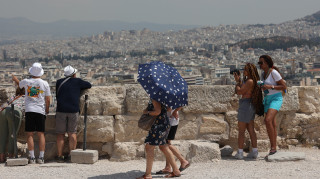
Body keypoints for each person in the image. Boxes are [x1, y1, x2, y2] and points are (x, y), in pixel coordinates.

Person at [13, 62, 51, 164]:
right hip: (40, 110)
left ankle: (32, 157)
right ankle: (41, 157)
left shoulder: (26, 81)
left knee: (29, 134)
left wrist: (14, 78)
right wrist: (47, 110)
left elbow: (19, 84)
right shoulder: (45, 83)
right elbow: (48, 99)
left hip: (30, 110)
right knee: (41, 134)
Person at [55, 65, 92, 162]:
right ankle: (72, 155)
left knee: (60, 134)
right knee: (72, 133)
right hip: (73, 110)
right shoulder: (78, 81)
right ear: (74, 74)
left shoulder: (59, 82)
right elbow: (89, 85)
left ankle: (59, 156)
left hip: (61, 110)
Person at [137, 99, 181, 179]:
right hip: (164, 124)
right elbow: (169, 109)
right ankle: (176, 170)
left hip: (158, 126)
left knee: (149, 147)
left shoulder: (155, 96)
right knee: (164, 146)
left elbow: (157, 112)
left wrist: (147, 112)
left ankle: (148, 175)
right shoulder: (164, 96)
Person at [258, 55, 286, 156]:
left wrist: (271, 86)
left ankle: (273, 148)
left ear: (267, 63)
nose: (260, 65)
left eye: (261, 63)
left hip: (276, 98)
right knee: (272, 124)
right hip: (267, 99)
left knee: (268, 120)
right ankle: (274, 147)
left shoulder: (273, 72)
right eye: (259, 63)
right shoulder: (262, 74)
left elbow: (283, 86)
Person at [233, 63, 263, 159]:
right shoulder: (251, 81)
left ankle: (240, 153)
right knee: (251, 129)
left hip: (246, 104)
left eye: (245, 69)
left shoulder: (250, 81)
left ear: (250, 71)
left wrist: (237, 84)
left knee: (241, 130)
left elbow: (240, 91)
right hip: (250, 105)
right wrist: (239, 80)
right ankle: (254, 151)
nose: (244, 71)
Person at [156, 107, 190, 174]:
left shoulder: (170, 96)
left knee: (165, 144)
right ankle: (168, 167)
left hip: (170, 122)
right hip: (171, 121)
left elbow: (169, 108)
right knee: (166, 144)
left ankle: (183, 161)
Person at [0, 84, 25, 163]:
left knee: (2, 134)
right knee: (12, 134)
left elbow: (3, 105)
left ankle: (1, 156)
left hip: (4, 111)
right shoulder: (27, 98)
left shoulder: (14, 97)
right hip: (15, 112)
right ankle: (10, 155)